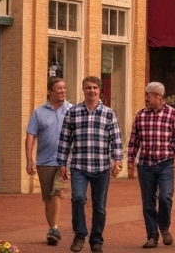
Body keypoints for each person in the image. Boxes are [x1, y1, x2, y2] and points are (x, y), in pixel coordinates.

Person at [56, 76, 123, 253]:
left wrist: (117, 160)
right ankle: (80, 234)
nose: (91, 91)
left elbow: (115, 139)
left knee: (99, 205)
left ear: (100, 90)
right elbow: (64, 139)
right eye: (88, 88)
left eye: (94, 88)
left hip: (101, 167)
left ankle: (96, 239)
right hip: (79, 166)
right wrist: (62, 163)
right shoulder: (74, 112)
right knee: (78, 198)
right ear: (83, 90)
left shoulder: (108, 113)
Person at [127, 82, 175, 248]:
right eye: (146, 94)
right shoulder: (140, 115)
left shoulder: (173, 115)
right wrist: (130, 161)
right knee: (148, 202)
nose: (146, 98)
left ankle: (164, 227)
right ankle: (152, 236)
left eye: (149, 95)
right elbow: (134, 140)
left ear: (159, 96)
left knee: (165, 197)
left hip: (165, 163)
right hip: (145, 165)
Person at [26, 77, 73, 247]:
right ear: (50, 91)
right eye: (59, 88)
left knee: (55, 193)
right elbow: (31, 135)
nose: (63, 91)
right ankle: (52, 228)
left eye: (64, 88)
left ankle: (54, 229)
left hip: (65, 161)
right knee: (47, 197)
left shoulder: (72, 110)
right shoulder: (39, 112)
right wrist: (29, 159)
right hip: (44, 161)